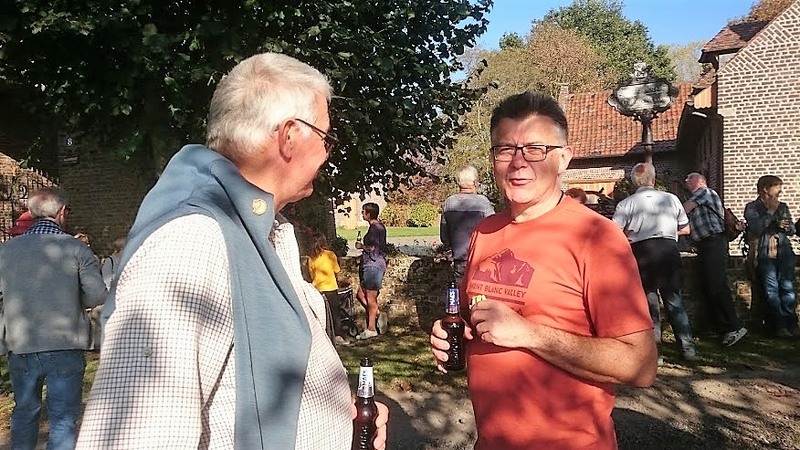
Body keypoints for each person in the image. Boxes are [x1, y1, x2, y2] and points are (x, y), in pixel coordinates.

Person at [77, 53, 388, 449]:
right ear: (289, 136)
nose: (327, 154)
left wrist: (341, 417)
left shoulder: (260, 229)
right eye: (326, 139)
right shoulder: (190, 241)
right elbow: (135, 437)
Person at [429, 91, 657, 449]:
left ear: (563, 158)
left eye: (535, 149)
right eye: (506, 149)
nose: (519, 163)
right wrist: (453, 336)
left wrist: (529, 333)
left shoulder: (596, 237)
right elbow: (484, 321)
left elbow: (640, 365)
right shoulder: (484, 232)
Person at [0, 187, 107, 449]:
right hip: (65, 341)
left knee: (25, 411)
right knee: (63, 418)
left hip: (21, 341)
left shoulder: (6, 251)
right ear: (61, 212)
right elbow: (96, 295)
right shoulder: (76, 249)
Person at [612, 163, 698, 364]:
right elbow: (686, 229)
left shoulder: (626, 204)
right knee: (674, 301)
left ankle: (656, 353)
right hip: (667, 250)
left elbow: (614, 233)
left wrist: (632, 234)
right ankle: (688, 349)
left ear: (634, 182)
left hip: (642, 253)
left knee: (649, 305)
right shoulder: (671, 199)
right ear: (653, 179)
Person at [684, 173, 748, 346]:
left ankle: (734, 327)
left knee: (717, 285)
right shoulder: (697, 198)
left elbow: (684, 210)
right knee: (709, 286)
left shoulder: (705, 192)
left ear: (701, 181)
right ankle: (720, 328)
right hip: (705, 245)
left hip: (714, 242)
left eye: (690, 178)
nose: (686, 180)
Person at [744, 175, 797, 337]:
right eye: (776, 187)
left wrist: (785, 226)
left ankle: (791, 324)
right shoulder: (752, 207)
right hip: (764, 253)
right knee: (771, 290)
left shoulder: (783, 206)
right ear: (765, 189)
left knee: (788, 288)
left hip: (783, 252)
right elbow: (757, 228)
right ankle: (778, 326)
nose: (780, 191)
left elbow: (792, 230)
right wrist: (771, 212)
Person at [440, 165, 495, 287]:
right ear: (475, 182)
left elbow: (444, 235)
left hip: (459, 259)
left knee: (460, 292)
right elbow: (494, 231)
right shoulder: (483, 202)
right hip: (480, 259)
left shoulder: (449, 203)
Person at [307, 231, 347, 345]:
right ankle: (338, 335)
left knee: (321, 314)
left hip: (318, 289)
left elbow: (311, 275)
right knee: (335, 313)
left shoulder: (311, 258)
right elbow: (337, 270)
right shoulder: (330, 255)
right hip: (330, 287)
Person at [354, 202, 387, 340]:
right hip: (370, 264)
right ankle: (378, 314)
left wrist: (361, 246)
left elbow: (375, 249)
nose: (362, 214)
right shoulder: (378, 227)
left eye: (363, 212)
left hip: (373, 266)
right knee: (361, 294)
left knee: (370, 298)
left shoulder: (375, 229)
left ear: (369, 213)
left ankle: (371, 329)